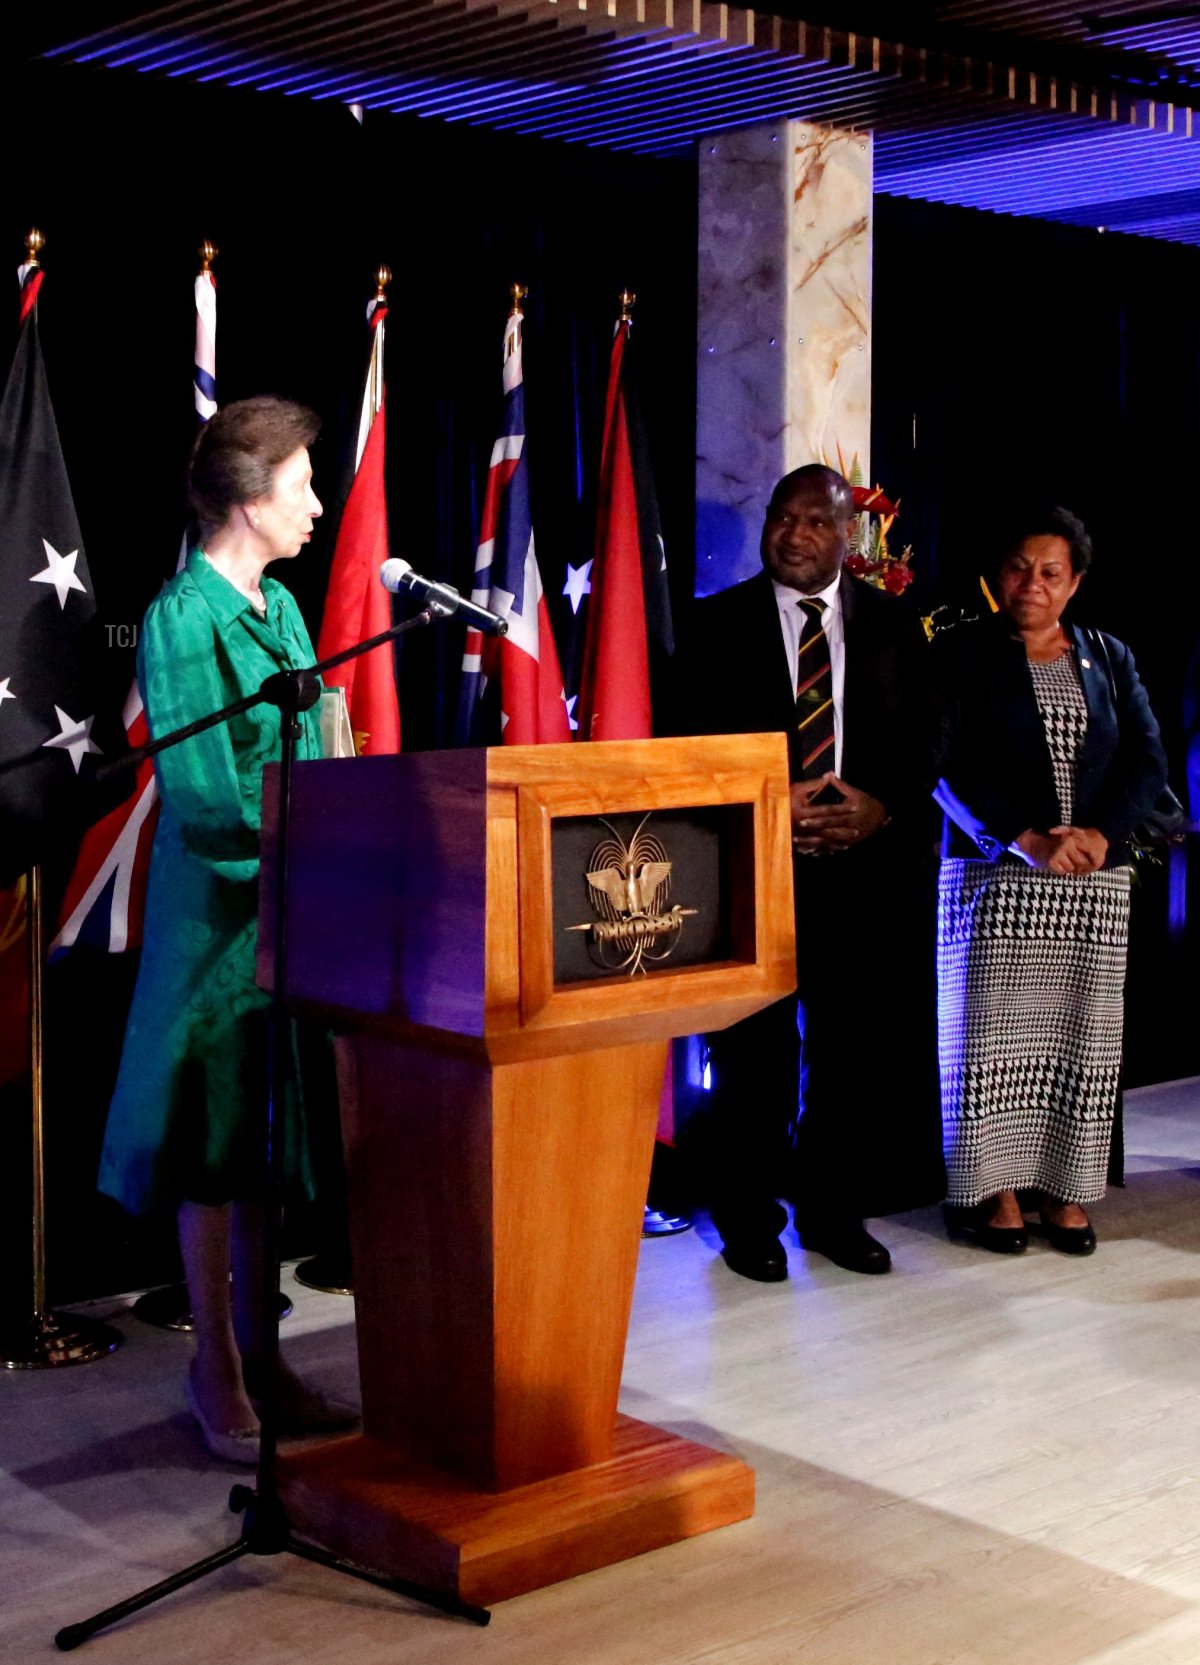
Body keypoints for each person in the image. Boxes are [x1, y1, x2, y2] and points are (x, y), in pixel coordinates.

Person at [99, 396, 353, 1460]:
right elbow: (204, 797)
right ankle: (215, 1363)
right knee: (211, 1144)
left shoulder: (284, 609)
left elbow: (325, 742)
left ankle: (267, 1347)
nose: (317, 502)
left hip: (292, 912)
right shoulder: (180, 617)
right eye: (301, 484)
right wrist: (312, 832)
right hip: (216, 926)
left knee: (265, 1140)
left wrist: (347, 822)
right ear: (251, 499)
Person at [673, 464, 944, 1282]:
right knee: (753, 1059)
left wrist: (880, 807)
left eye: (815, 522)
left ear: (845, 535)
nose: (794, 535)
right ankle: (748, 1217)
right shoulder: (712, 626)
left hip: (864, 881)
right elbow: (684, 746)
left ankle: (829, 1210)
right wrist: (767, 797)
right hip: (755, 872)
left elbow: (931, 741)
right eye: (781, 518)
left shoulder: (898, 628)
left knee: (850, 1055)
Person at [933, 506, 1169, 1255]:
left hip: (1094, 879)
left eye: (1050, 573)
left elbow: (1147, 762)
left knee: (1082, 1040)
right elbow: (942, 764)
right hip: (997, 876)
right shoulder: (962, 652)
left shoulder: (1111, 656)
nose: (1031, 585)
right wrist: (1023, 837)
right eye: (1018, 569)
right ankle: (995, 1191)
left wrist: (1103, 834)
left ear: (1076, 582)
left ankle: (1067, 1188)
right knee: (992, 1044)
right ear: (998, 575)